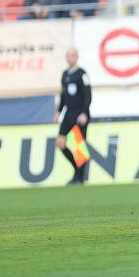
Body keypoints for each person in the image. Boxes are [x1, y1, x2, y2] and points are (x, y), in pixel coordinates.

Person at [54, 48, 91, 185]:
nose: (70, 58)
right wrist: (58, 111)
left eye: (73, 55)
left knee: (79, 146)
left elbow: (88, 96)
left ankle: (80, 178)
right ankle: (76, 170)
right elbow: (64, 96)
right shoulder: (64, 75)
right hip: (68, 114)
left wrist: (84, 112)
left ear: (77, 57)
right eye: (68, 55)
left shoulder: (82, 74)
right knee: (60, 142)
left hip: (80, 114)